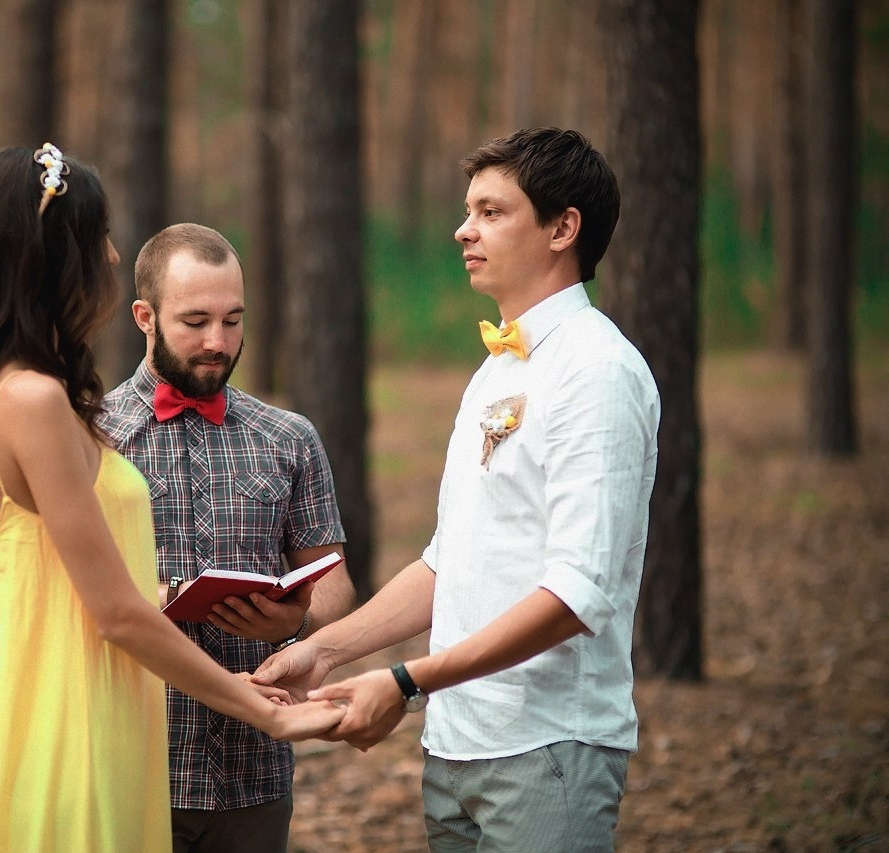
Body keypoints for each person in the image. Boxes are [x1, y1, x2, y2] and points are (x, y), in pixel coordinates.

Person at [0, 146, 345, 852]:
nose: (110, 254)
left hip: (45, 725)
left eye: (233, 319)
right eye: (97, 236)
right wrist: (268, 712)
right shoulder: (35, 400)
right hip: (64, 736)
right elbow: (114, 612)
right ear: (53, 258)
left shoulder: (3, 393)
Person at [254, 127, 661, 851]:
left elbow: (577, 593)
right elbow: (452, 561)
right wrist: (328, 652)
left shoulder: (597, 372)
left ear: (563, 227)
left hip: (546, 749)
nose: (461, 229)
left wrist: (406, 680)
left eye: (491, 211)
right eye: (468, 210)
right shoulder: (496, 369)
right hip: (457, 747)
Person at [99, 222, 355, 852]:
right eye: (195, 322)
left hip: (256, 775)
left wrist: (289, 623)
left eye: (233, 320)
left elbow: (335, 589)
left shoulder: (289, 438)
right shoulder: (91, 438)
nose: (218, 342)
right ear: (144, 317)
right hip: (128, 764)